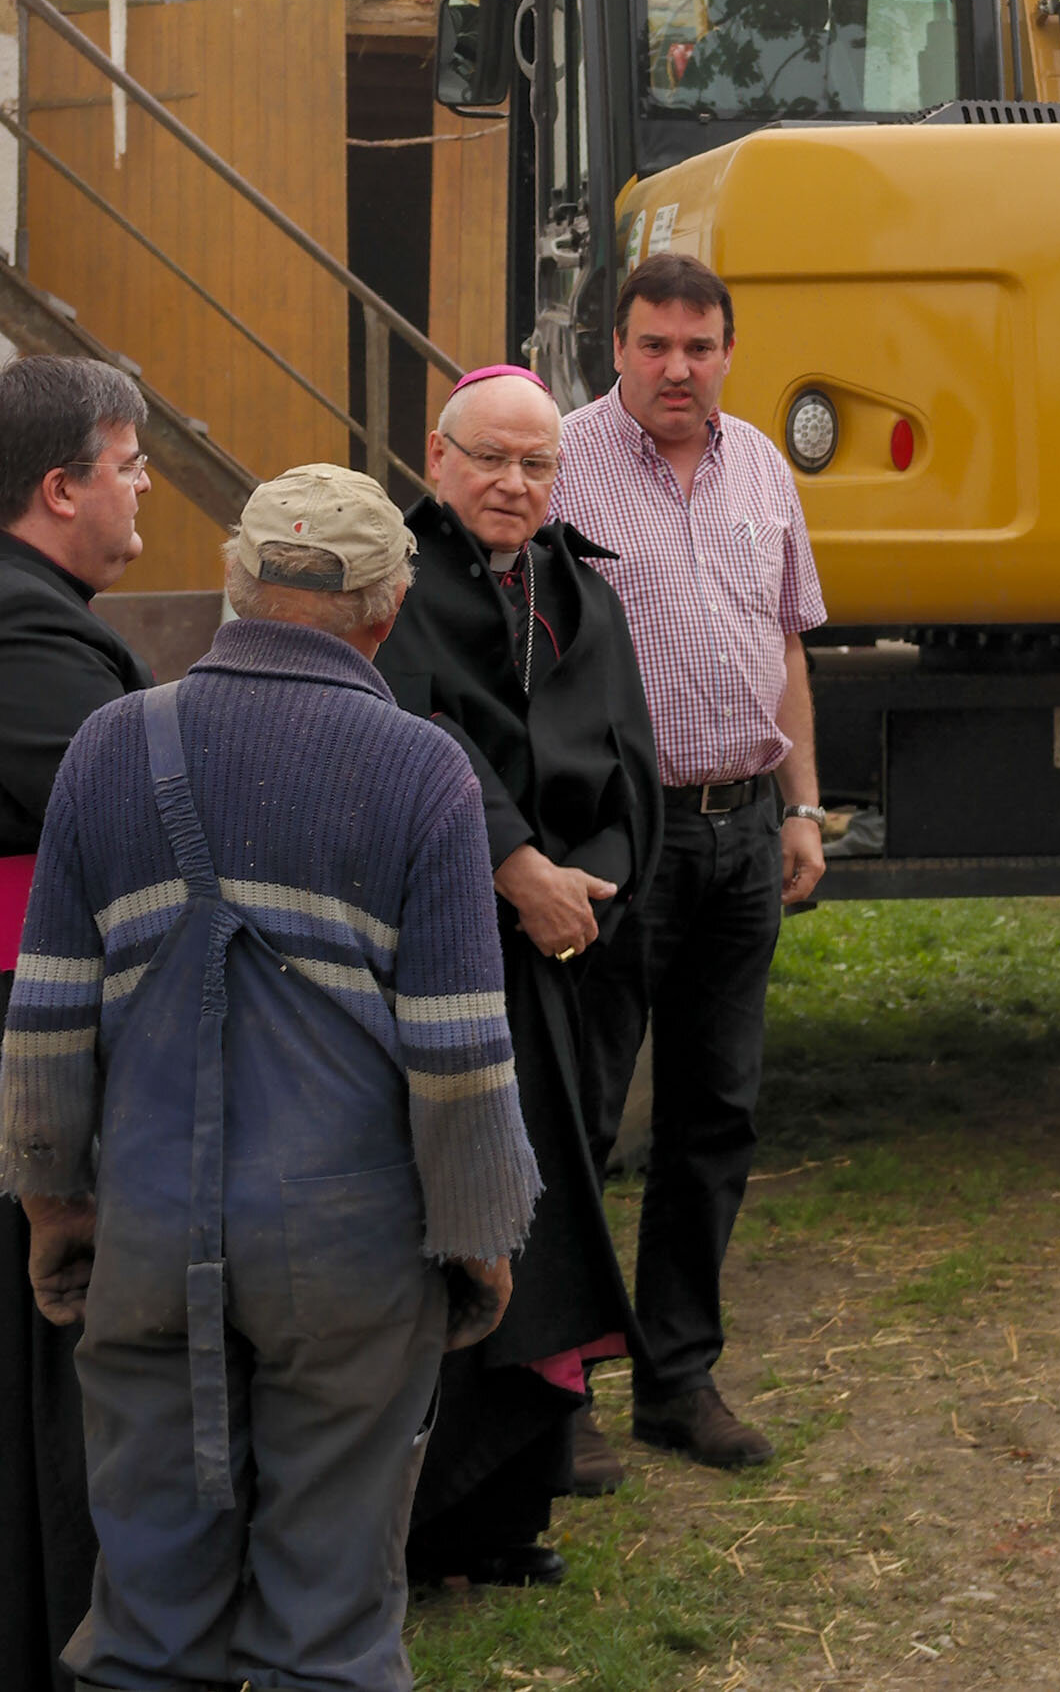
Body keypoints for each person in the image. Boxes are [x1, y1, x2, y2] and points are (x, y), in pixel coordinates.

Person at [0, 462, 540, 1692]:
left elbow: (47, 1011)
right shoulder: (423, 770)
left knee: (144, 1627)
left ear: (235, 585)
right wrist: (480, 1236)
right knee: (328, 1628)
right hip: (350, 1252)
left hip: (145, 1231)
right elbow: (459, 1044)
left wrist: (54, 1204)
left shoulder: (110, 744)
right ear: (388, 609)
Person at [376, 364, 664, 1580]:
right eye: (489, 456)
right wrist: (517, 869)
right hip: (456, 948)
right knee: (464, 1220)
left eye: (536, 463)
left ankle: (508, 1514)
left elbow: (631, 760)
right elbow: (416, 740)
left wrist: (589, 887)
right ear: (437, 456)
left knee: (550, 1214)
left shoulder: (580, 591)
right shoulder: (395, 587)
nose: (512, 481)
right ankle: (428, 1520)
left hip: (570, 952)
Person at [550, 251, 827, 1471]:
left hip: (743, 829)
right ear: (615, 347)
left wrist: (803, 806)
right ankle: (558, 1391)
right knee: (582, 1112)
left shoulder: (760, 463)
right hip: (615, 835)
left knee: (715, 1113)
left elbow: (787, 645)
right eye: (654, 344)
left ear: (728, 353)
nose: (678, 367)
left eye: (699, 346)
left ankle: (677, 1377)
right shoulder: (560, 465)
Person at [0, 355, 153, 1692]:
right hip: (30, 1055)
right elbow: (118, 838)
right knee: (51, 1373)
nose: (144, 487)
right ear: (61, 486)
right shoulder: (34, 643)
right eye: (130, 465)